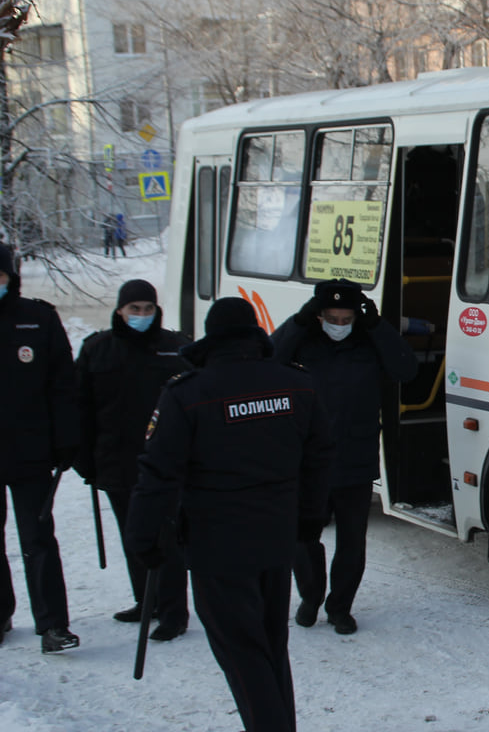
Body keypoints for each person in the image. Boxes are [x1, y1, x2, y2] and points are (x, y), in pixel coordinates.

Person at [126, 297, 331, 732]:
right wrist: (308, 523)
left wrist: (142, 539)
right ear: (254, 333)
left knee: (241, 653)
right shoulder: (296, 384)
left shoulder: (187, 393)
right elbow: (318, 460)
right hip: (276, 539)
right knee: (271, 646)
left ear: (211, 337)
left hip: (217, 545)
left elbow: (157, 474)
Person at [272, 279, 416, 635]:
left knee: (352, 542)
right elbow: (269, 358)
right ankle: (311, 595)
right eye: (331, 317)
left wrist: (377, 326)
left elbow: (406, 369)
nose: (339, 324)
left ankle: (340, 607)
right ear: (319, 315)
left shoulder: (369, 341)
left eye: (346, 317)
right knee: (302, 537)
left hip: (355, 456)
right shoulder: (303, 340)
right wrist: (299, 321)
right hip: (308, 462)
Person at [74, 279, 191, 640]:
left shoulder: (176, 347)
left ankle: (174, 612)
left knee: (166, 538)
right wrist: (84, 461)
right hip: (116, 461)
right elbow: (80, 410)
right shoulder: (97, 350)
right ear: (120, 311)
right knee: (132, 535)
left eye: (148, 309)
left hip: (166, 462)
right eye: (134, 309)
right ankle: (146, 601)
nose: (141, 315)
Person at [0, 242, 81, 653]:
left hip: (29, 452)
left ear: (10, 278)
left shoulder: (37, 318)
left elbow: (63, 385)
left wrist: (67, 440)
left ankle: (53, 625)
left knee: (39, 539)